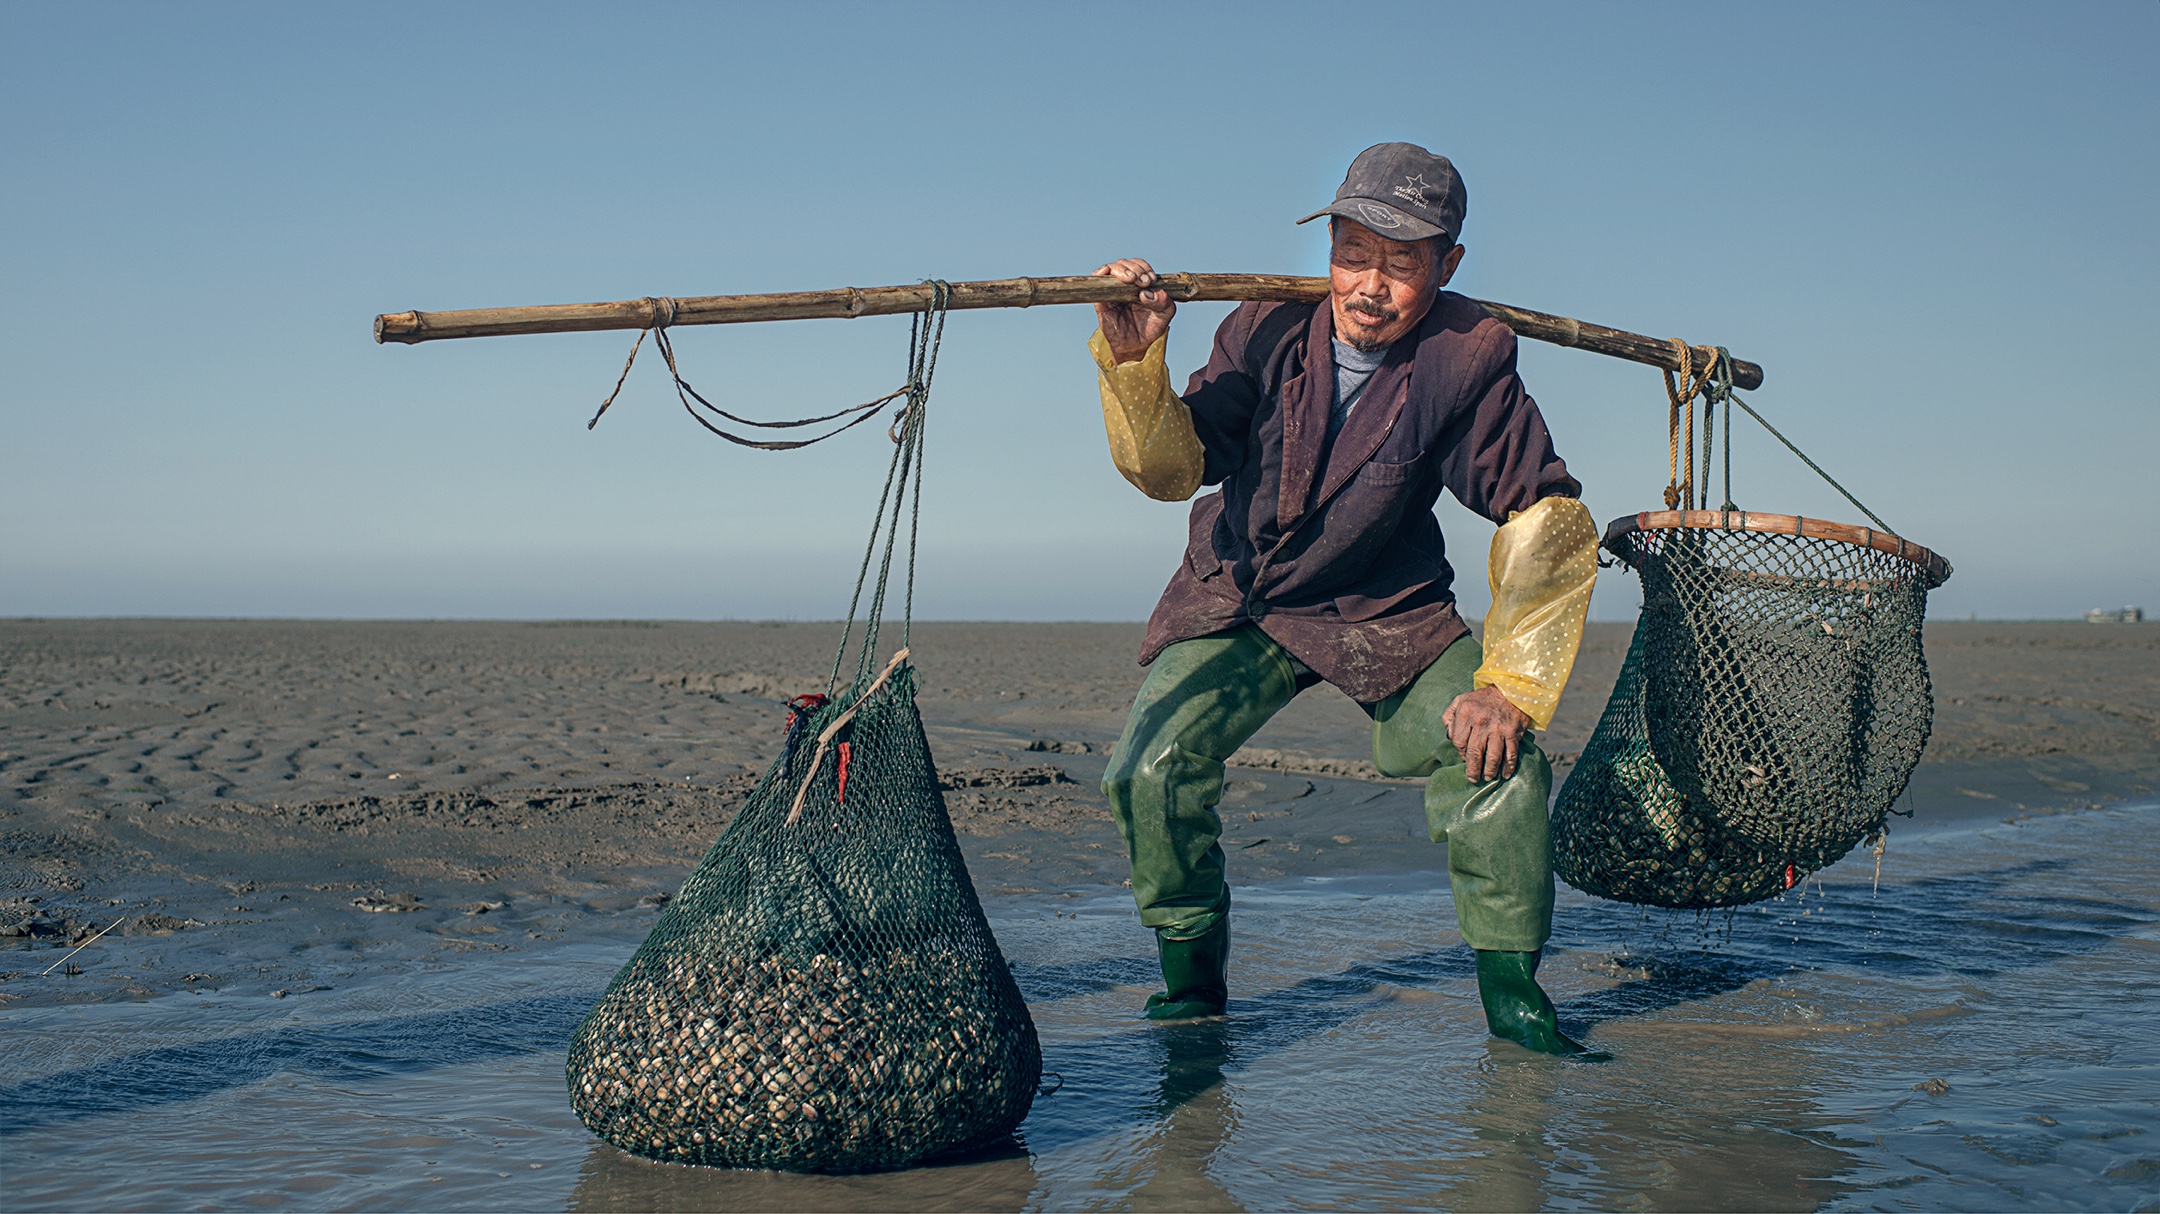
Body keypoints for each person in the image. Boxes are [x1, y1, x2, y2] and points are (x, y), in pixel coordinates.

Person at [1088, 142, 1602, 1056]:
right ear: (1327, 248)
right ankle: (1192, 981)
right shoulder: (1264, 327)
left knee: (1500, 762)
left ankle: (1518, 1001)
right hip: (1244, 593)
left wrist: (1511, 686)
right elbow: (1176, 470)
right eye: (1353, 253)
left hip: (1386, 611)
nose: (1371, 285)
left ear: (1445, 268)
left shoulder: (1468, 355)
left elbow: (1544, 516)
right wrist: (1135, 363)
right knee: (1148, 769)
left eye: (1403, 263)